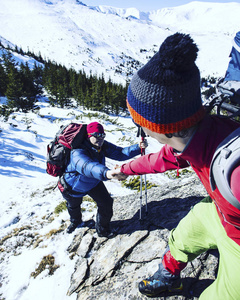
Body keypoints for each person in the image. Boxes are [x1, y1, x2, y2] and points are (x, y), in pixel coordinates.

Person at [109, 33, 240, 299]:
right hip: (223, 215)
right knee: (182, 235)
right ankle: (168, 278)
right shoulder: (198, 136)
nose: (139, 129)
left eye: (139, 122)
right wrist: (124, 170)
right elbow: (160, 160)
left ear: (161, 127)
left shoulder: (235, 173)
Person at [57, 121, 147, 237]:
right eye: (96, 135)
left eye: (102, 135)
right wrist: (108, 173)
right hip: (73, 186)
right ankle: (75, 222)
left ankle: (103, 230)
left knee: (106, 203)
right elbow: (88, 167)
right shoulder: (77, 152)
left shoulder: (101, 146)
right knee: (74, 206)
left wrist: (138, 147)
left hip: (92, 182)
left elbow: (120, 153)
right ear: (88, 136)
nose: (100, 139)